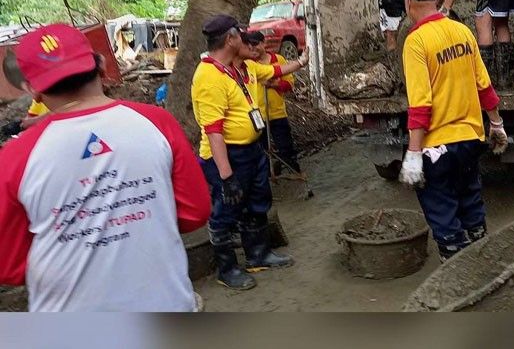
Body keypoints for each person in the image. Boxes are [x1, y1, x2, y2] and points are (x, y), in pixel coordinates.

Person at [0, 23, 210, 311]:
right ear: (100, 64)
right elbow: (195, 213)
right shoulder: (157, 123)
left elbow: (9, 265)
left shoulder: (15, 156)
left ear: (32, 90)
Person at [191, 15, 309, 291]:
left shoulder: (239, 69)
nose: (247, 41)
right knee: (225, 210)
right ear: (230, 39)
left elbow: (277, 73)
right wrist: (226, 175)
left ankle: (258, 255)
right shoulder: (209, 77)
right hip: (227, 155)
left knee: (257, 201)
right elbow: (213, 130)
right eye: (240, 35)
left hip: (250, 150)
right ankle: (227, 268)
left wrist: (303, 61)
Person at [398, 0, 509, 261]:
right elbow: (484, 86)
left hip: (438, 147)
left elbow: (420, 105)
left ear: (408, 3)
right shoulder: (463, 32)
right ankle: (484, 261)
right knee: (471, 203)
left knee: (443, 213)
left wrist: (413, 154)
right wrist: (496, 124)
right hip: (471, 139)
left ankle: (459, 271)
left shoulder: (415, 41)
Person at [243, 31, 303, 178]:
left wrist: (274, 84)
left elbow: (289, 84)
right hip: (257, 116)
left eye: (256, 44)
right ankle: (268, 176)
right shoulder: (247, 64)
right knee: (261, 150)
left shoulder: (278, 59)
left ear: (263, 43)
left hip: (277, 113)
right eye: (249, 45)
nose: (253, 48)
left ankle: (295, 174)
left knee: (286, 148)